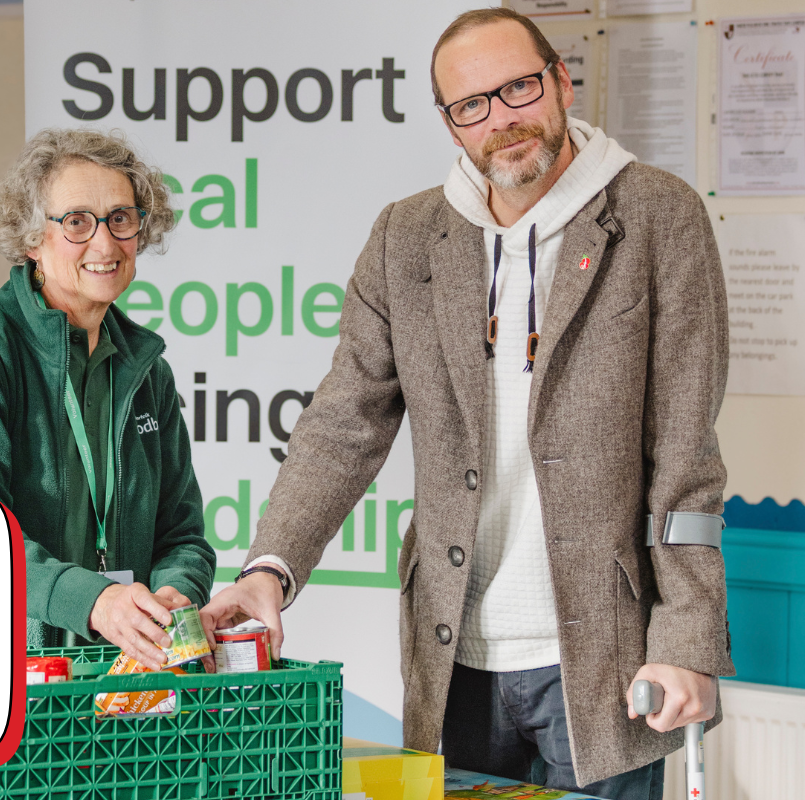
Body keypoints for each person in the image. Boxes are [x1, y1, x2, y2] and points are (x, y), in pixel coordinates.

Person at [201, 8, 732, 798]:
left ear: (559, 80)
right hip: (454, 659)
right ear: (450, 123)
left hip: (603, 658)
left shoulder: (658, 217)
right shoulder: (406, 237)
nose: (501, 120)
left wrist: (686, 636)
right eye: (470, 105)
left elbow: (685, 459)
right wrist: (268, 571)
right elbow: (343, 422)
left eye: (517, 87)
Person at [0, 128, 215, 670]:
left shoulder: (147, 371)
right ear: (30, 239)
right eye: (76, 222)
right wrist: (93, 600)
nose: (104, 243)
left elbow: (182, 535)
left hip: (125, 684)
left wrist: (174, 596)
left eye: (121, 218)